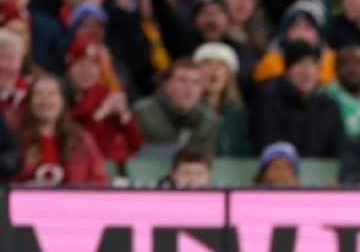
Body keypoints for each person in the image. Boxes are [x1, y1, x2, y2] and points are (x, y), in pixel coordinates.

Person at [251, 41, 344, 157]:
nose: (307, 72)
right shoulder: (268, 103)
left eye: (313, 64)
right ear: (287, 71)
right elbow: (269, 147)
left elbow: (336, 154)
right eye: (300, 63)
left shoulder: (329, 107)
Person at [14, 73, 109, 185]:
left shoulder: (81, 138)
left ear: (62, 101)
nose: (45, 101)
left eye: (52, 94)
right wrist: (23, 168)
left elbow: (99, 180)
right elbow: (5, 185)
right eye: (39, 94)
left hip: (74, 202)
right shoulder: (16, 139)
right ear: (29, 102)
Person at [65, 36, 144, 170]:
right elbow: (79, 143)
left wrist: (125, 117)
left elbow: (136, 143)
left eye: (92, 66)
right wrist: (101, 113)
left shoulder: (106, 93)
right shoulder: (61, 95)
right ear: (70, 67)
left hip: (122, 168)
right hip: (87, 168)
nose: (86, 72)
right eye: (81, 65)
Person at [132, 58, 220, 158]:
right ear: (167, 85)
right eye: (182, 80)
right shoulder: (143, 113)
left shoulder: (208, 121)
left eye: (196, 82)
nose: (189, 88)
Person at [192, 41, 252, 156]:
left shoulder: (239, 113)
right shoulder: (186, 110)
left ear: (229, 74)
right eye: (207, 64)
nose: (213, 71)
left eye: (220, 65)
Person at [325, 44, 360, 141]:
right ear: (336, 68)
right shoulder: (326, 98)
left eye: (359, 63)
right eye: (346, 63)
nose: (353, 69)